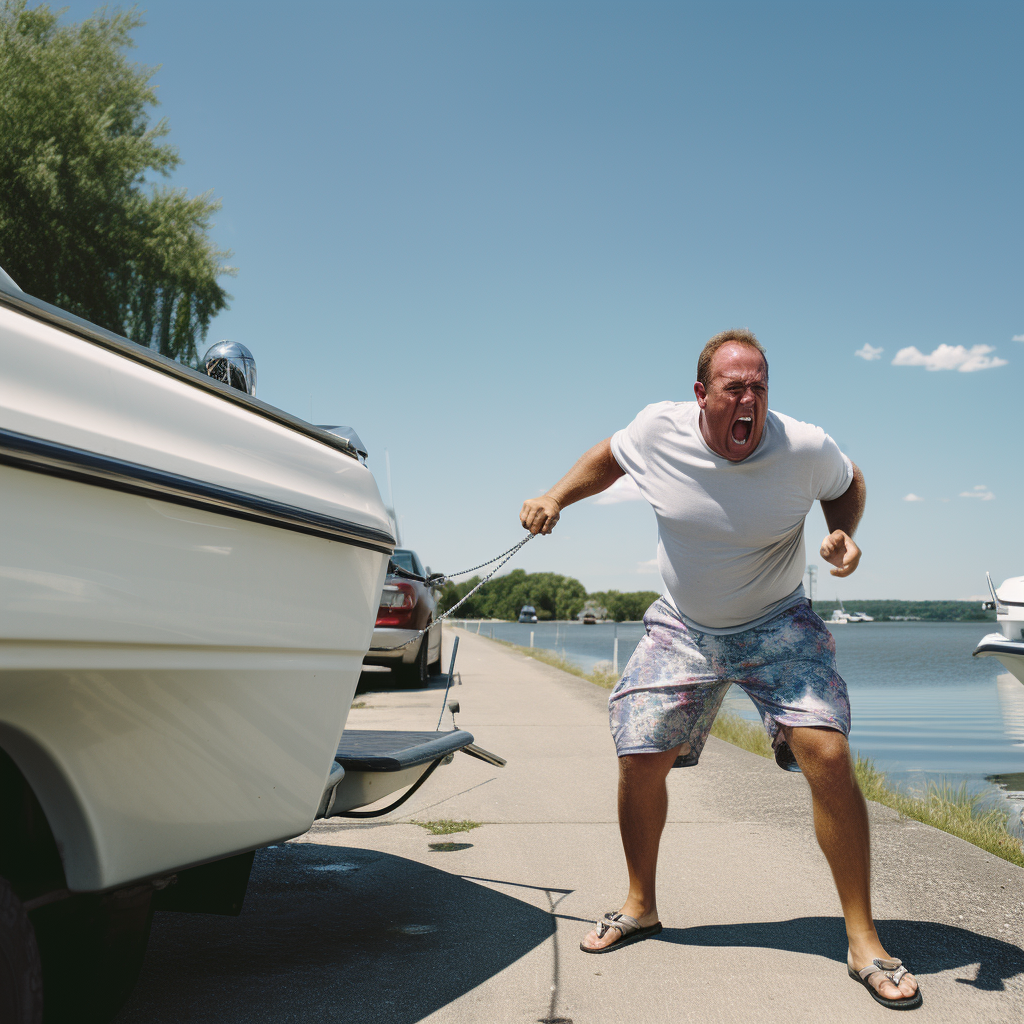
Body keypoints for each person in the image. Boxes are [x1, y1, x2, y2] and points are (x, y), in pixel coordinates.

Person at [519, 329, 921, 1011]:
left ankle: (864, 940)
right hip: (685, 625)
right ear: (701, 394)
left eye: (760, 385)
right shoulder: (657, 429)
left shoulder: (802, 445)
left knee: (827, 752)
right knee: (640, 755)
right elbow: (609, 459)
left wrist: (846, 535)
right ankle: (640, 905)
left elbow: (848, 482)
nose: (751, 398)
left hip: (778, 621)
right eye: (735, 386)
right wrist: (556, 496)